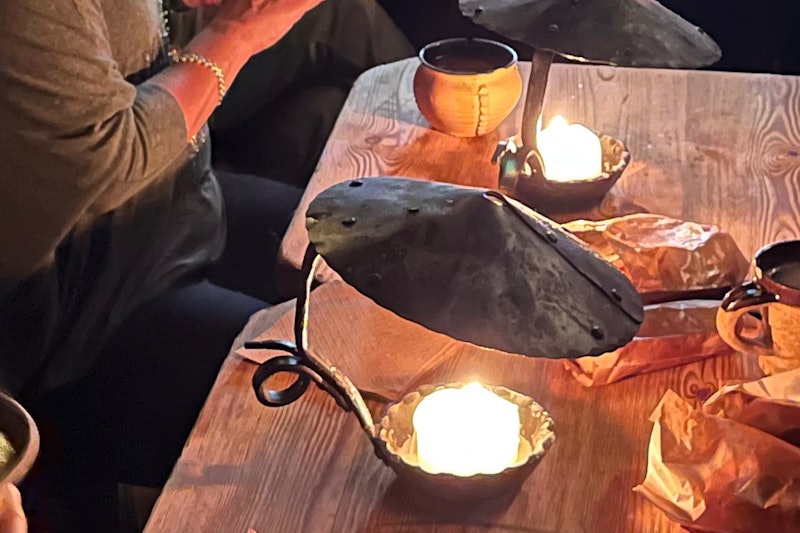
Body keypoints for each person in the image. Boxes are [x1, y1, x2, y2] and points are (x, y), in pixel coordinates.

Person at [0, 0, 411, 531]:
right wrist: (237, 30)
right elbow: (106, 157)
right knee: (332, 417)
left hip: (175, 211)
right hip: (83, 319)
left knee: (376, 261)